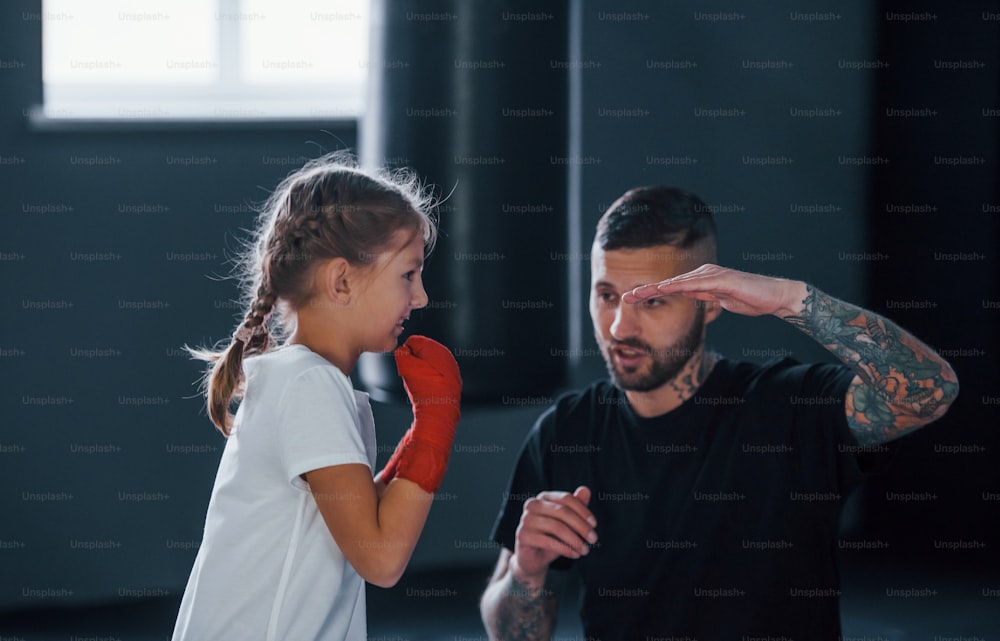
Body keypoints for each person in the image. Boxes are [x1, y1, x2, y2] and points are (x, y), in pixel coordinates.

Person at [480, 186, 959, 640]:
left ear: (709, 306)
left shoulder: (788, 409)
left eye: (654, 301)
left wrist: (793, 299)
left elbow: (930, 390)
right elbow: (513, 629)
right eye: (606, 295)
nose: (620, 326)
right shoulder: (568, 430)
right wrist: (527, 570)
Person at [172, 152, 462, 641]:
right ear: (342, 281)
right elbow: (382, 558)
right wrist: (436, 425)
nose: (421, 298)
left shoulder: (302, 380)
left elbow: (357, 518)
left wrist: (418, 436)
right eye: (408, 275)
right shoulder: (310, 385)